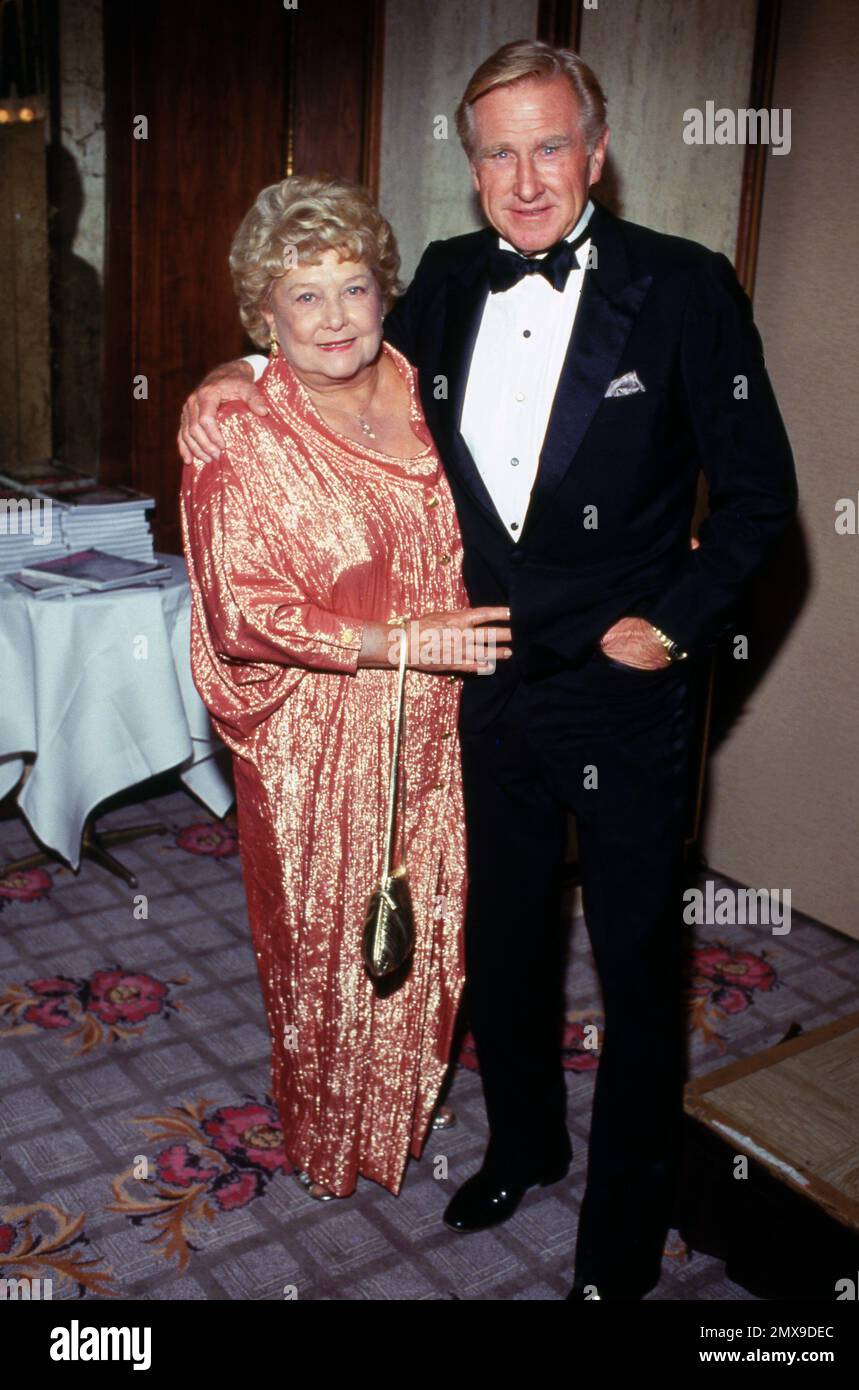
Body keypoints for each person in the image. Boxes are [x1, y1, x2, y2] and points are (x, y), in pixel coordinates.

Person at [178, 42, 798, 1298]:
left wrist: (671, 627)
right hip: (482, 682)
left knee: (635, 967)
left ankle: (619, 1237)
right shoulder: (445, 285)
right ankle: (522, 1141)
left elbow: (757, 503)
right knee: (502, 941)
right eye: (496, 152)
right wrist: (232, 383)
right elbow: (328, 366)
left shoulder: (683, 288)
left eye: (549, 144)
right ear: (469, 170)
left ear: (596, 148)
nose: (524, 178)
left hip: (623, 692)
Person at [178, 173, 511, 1202]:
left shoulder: (425, 379)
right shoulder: (239, 428)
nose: (334, 318)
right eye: (303, 295)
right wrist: (405, 641)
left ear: (386, 293)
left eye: (353, 288)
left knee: (433, 915)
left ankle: (400, 1094)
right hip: (319, 726)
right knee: (329, 936)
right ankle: (333, 1126)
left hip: (445, 715)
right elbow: (245, 614)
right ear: (261, 314)